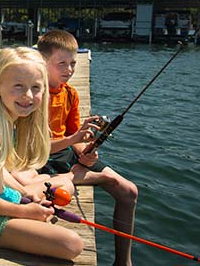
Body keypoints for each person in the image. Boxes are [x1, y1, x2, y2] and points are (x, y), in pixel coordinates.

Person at [15, 29, 138, 266]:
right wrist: (74, 141)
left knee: (129, 190)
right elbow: (34, 148)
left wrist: (86, 151)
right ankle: (65, 179)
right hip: (37, 159)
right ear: (42, 62)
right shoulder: (30, 96)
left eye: (73, 63)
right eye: (61, 63)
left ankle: (124, 261)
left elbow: (75, 137)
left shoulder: (71, 93)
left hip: (66, 154)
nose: (69, 70)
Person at [0, 47, 83, 259]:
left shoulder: (2, 114)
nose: (28, 96)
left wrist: (25, 193)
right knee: (72, 245)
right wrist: (25, 211)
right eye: (18, 86)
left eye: (35, 87)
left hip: (3, 197)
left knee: (64, 185)